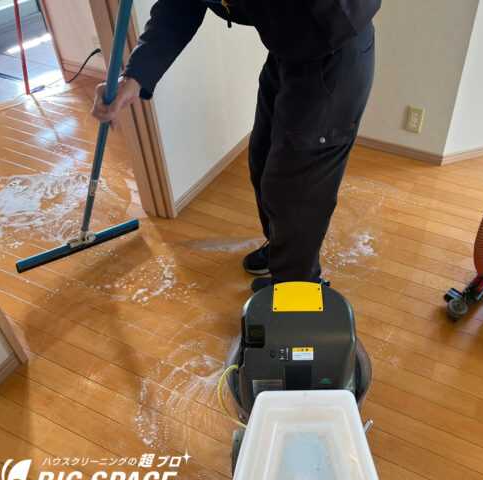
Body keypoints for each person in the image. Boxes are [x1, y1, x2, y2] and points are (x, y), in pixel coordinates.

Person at [91, 0, 380, 292]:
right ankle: (284, 254)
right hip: (289, 45)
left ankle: (298, 293)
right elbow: (181, 5)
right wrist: (134, 78)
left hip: (332, 48)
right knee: (262, 162)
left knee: (295, 194)